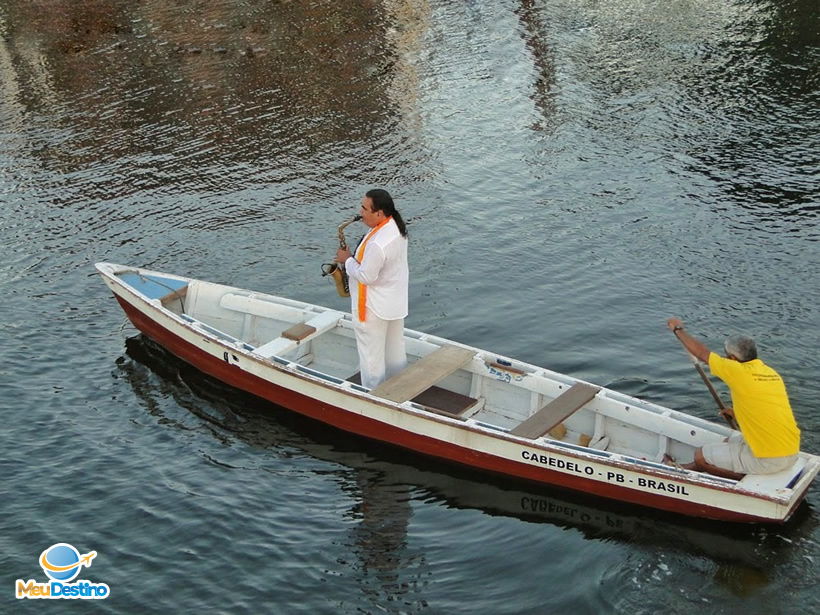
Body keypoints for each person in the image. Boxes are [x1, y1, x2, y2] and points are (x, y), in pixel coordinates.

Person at [665, 317, 800, 479]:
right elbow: (766, 406)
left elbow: (702, 354)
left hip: (768, 459)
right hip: (791, 451)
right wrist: (736, 413)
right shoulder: (770, 373)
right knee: (728, 442)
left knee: (700, 456)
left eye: (726, 356)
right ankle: (688, 467)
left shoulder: (737, 370)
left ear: (733, 359)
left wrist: (678, 329)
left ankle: (743, 479)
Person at [336, 189, 408, 389]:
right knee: (394, 350)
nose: (360, 213)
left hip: (372, 306)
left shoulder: (377, 243)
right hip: (394, 302)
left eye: (365, 209)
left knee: (371, 357)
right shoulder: (395, 226)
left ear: (379, 213)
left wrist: (347, 260)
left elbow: (367, 276)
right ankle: (400, 387)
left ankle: (372, 393)